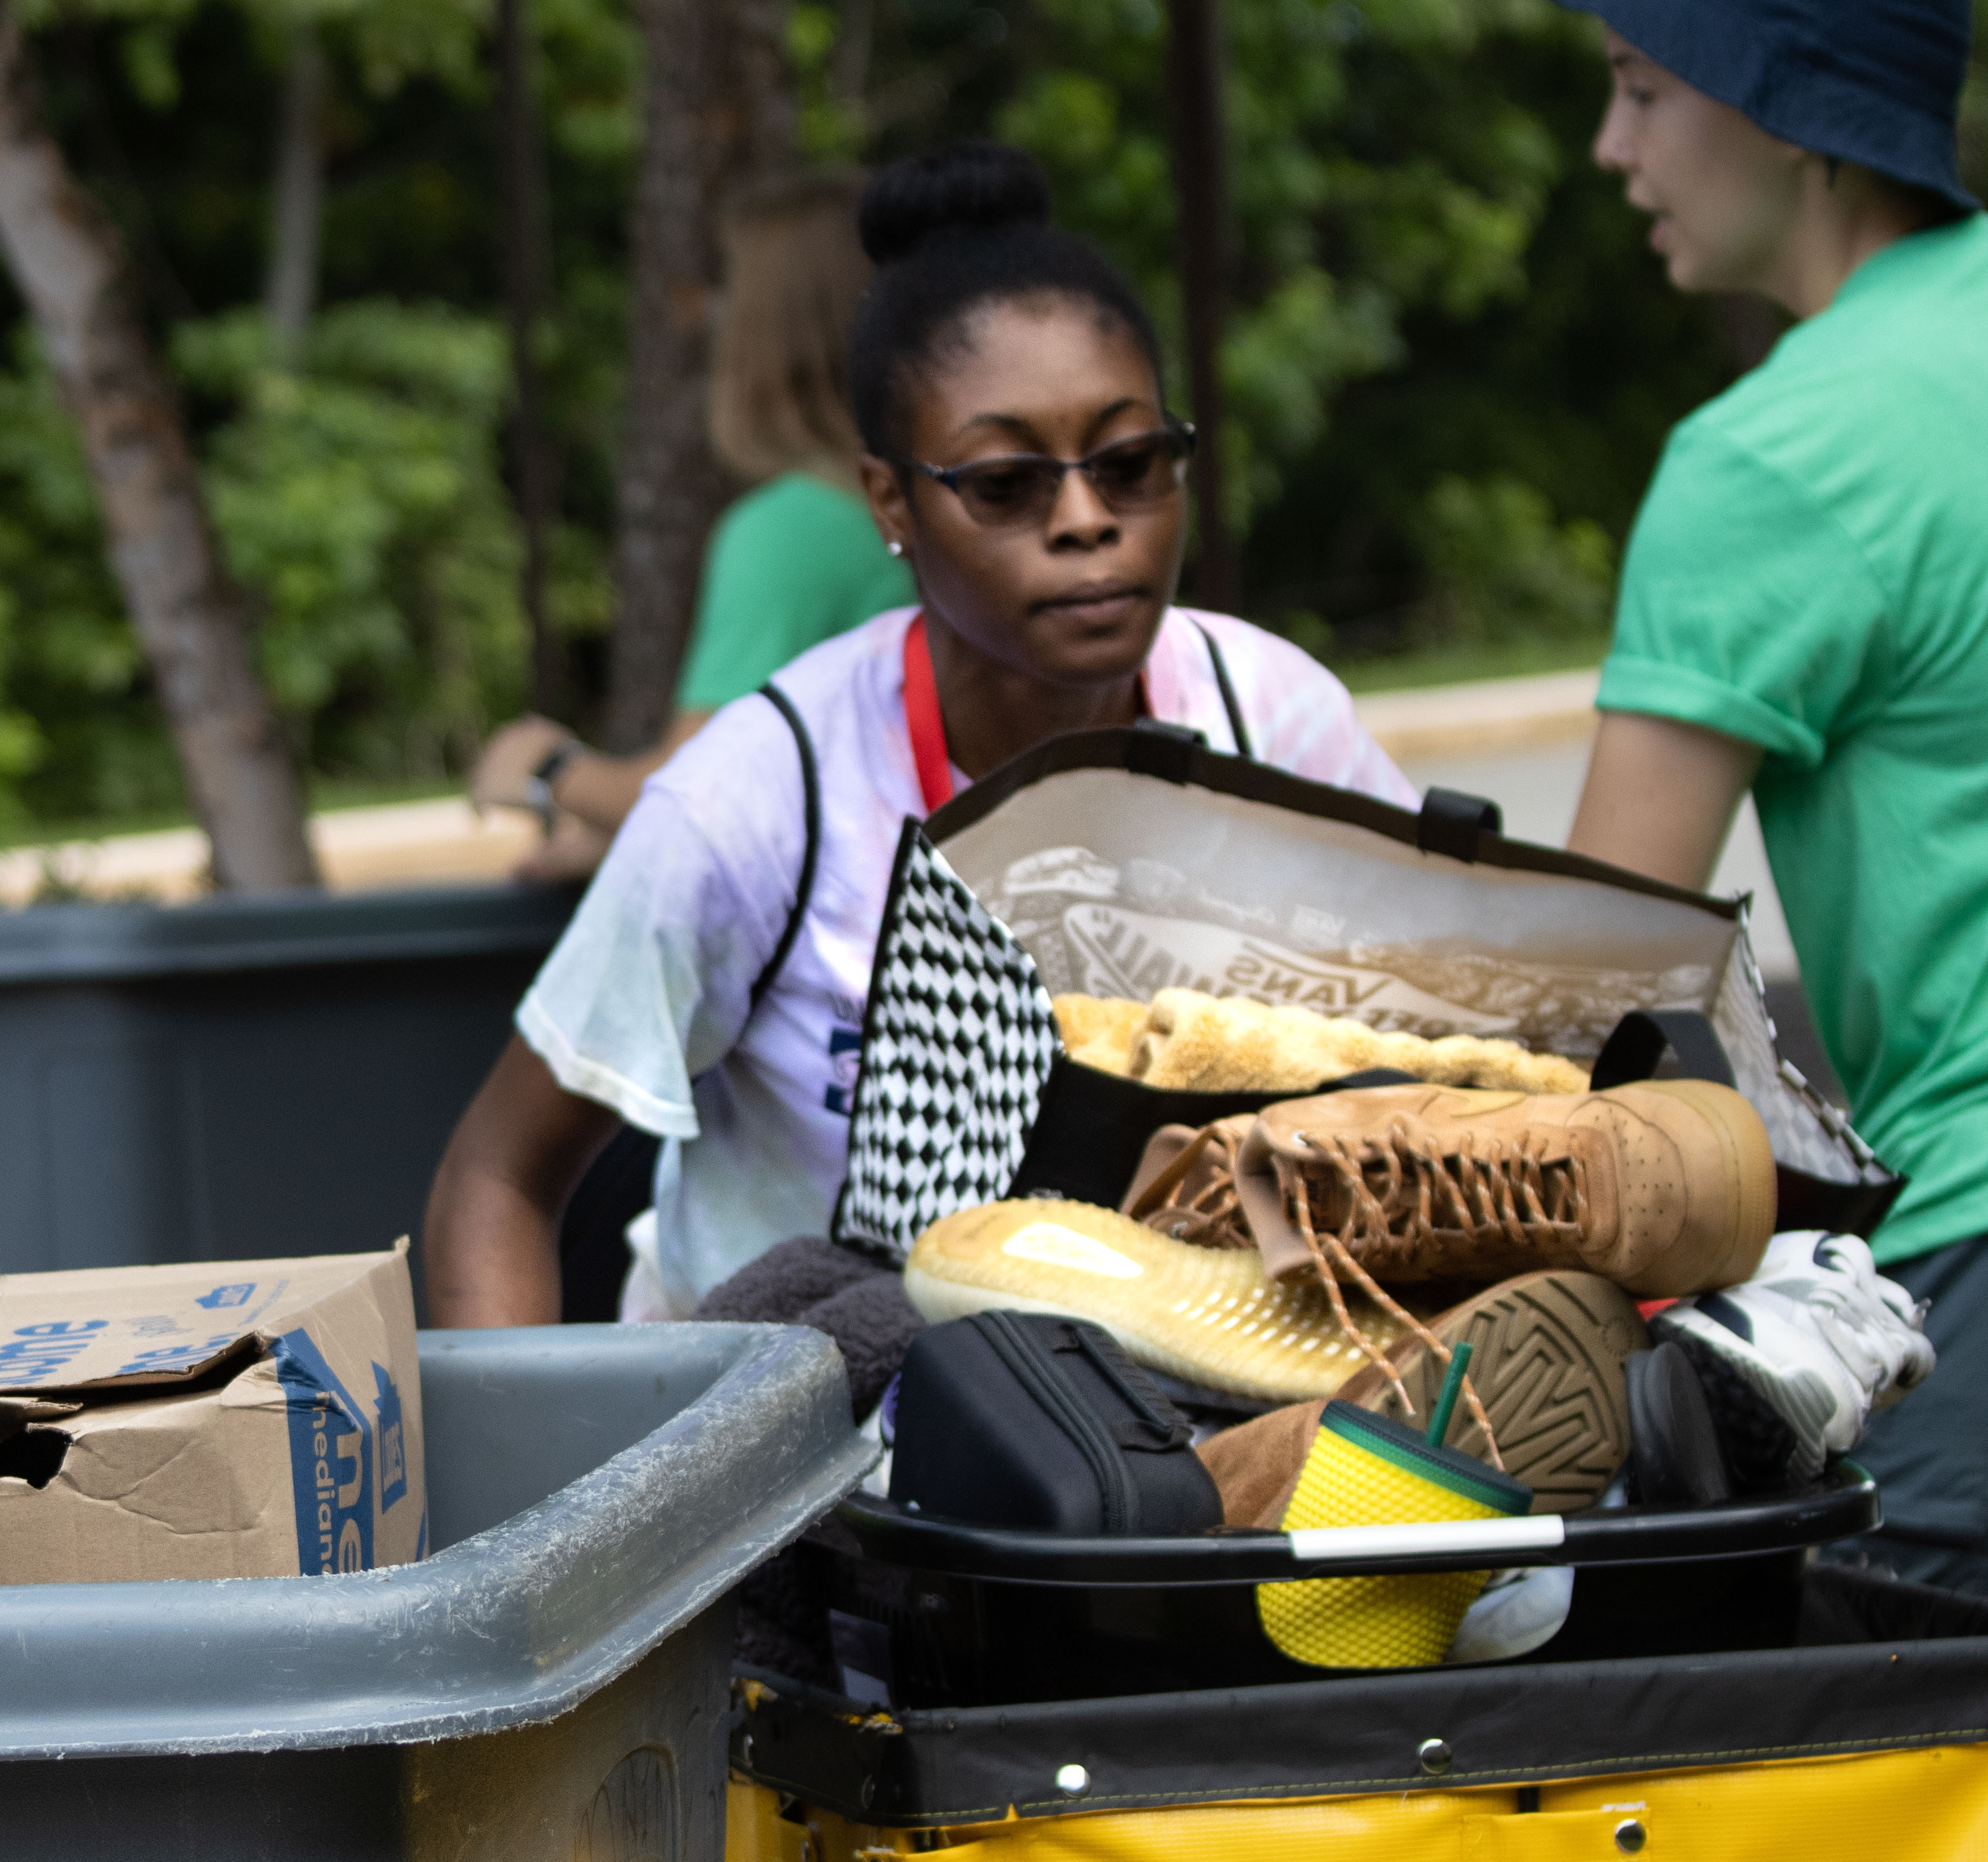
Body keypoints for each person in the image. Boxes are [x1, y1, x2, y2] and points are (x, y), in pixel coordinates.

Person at [427, 143, 1413, 1325]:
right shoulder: (762, 797)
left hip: (1175, 1418)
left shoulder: (1274, 722)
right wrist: (556, 1498)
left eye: (1132, 463)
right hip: (798, 1440)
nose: (1088, 521)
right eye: (1006, 483)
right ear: (891, 501)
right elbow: (497, 1176)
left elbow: (1460, 1062)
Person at [1559, 0, 1988, 1774]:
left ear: (1791, 111)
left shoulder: (1773, 455)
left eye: (1638, 89)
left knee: (1809, 1816)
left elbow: (1584, 967)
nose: (1613, 152)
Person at [467, 171, 917, 881]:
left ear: (770, 330)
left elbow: (701, 795)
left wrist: (548, 766)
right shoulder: (931, 501)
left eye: (730, 292)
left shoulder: (792, 531)